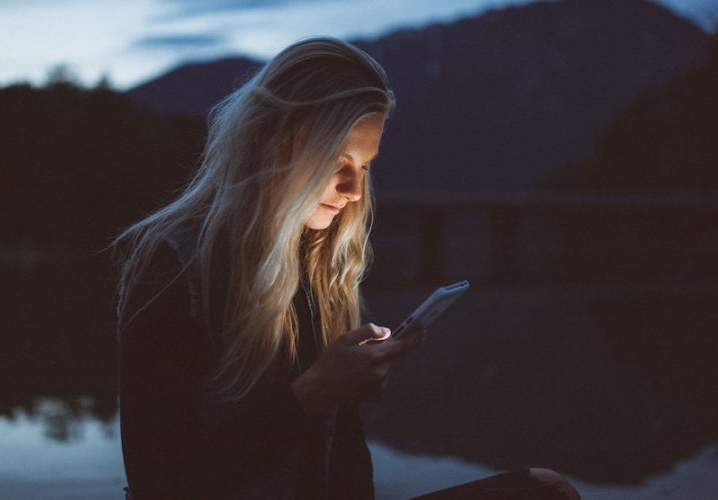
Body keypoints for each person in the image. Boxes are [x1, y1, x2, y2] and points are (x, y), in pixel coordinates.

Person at [113, 36, 580, 500]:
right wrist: (314, 393)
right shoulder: (173, 264)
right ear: (275, 142)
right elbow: (159, 478)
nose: (354, 188)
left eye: (364, 165)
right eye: (338, 160)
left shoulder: (317, 265)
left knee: (545, 490)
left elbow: (346, 461)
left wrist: (340, 388)